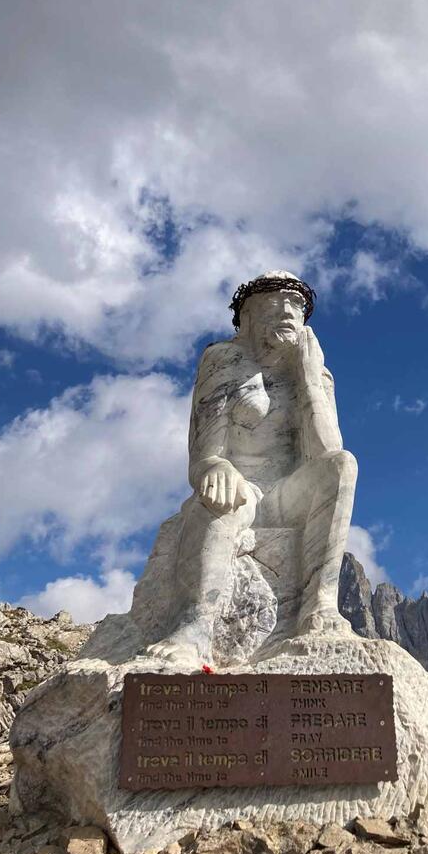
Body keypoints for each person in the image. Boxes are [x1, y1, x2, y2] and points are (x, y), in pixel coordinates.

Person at [143, 271, 356, 664]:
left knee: (343, 466)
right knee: (221, 501)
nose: (287, 313)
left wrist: (309, 378)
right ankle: (193, 629)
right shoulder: (224, 360)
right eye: (275, 304)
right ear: (248, 317)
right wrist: (214, 466)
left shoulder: (316, 372)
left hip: (288, 494)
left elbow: (327, 452)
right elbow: (203, 455)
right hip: (244, 485)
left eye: (295, 307)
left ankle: (320, 607)